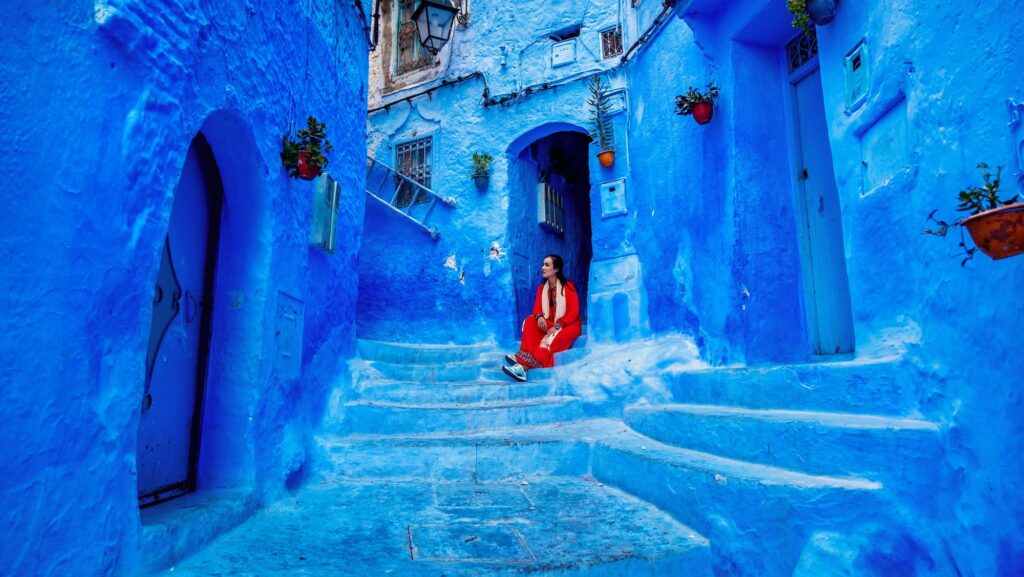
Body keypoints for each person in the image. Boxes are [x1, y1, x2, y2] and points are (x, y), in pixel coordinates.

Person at [502, 254, 582, 382]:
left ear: (556, 269)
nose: (542, 267)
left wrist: (558, 326)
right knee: (529, 321)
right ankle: (522, 357)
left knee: (552, 338)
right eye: (543, 264)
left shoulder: (568, 286)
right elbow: (537, 309)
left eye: (547, 265)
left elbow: (574, 312)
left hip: (569, 325)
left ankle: (523, 367)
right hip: (551, 323)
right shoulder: (541, 289)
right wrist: (539, 317)